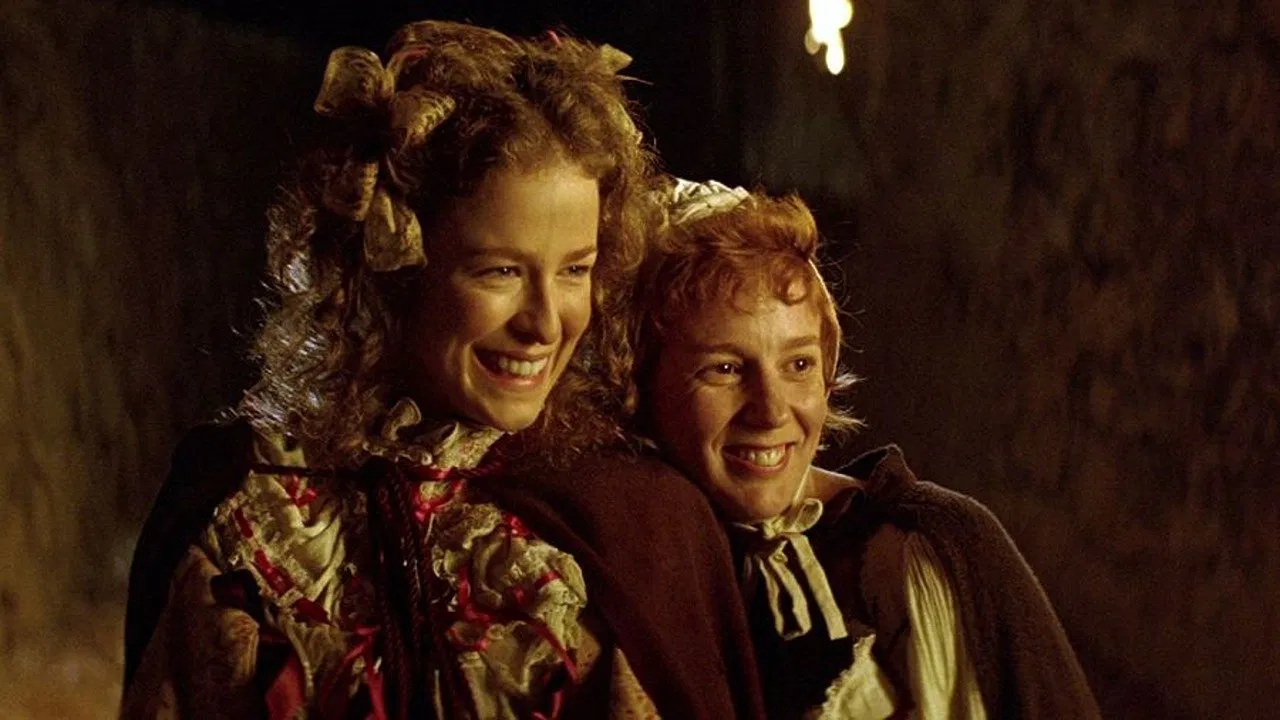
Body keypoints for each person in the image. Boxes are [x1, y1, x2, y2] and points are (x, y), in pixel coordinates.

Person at [121, 25, 763, 720]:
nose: (546, 322)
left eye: (575, 269)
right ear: (395, 272)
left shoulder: (642, 523)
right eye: (501, 271)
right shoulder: (246, 517)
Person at [628, 180, 1100, 719]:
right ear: (641, 383)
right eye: (726, 369)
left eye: (799, 364)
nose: (772, 411)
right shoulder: (637, 561)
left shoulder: (922, 551)